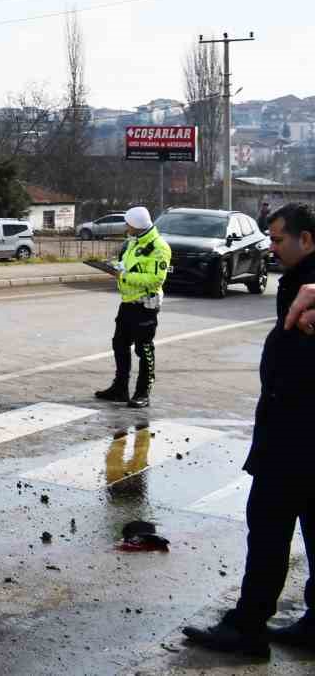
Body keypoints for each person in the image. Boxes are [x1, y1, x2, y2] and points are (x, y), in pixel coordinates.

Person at [183, 202, 315, 657]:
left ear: (307, 239)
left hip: (296, 435)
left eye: (278, 240)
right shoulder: (301, 282)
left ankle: (248, 627)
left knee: (268, 529)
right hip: (295, 431)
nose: (271, 247)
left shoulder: (307, 283)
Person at [94, 206, 170, 409]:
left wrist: (124, 276)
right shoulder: (132, 242)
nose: (126, 226)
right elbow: (129, 266)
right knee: (119, 344)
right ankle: (120, 388)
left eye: (128, 223)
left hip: (145, 305)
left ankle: (143, 392)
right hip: (127, 302)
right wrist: (114, 267)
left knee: (144, 349)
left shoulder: (159, 247)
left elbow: (155, 279)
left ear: (136, 225)